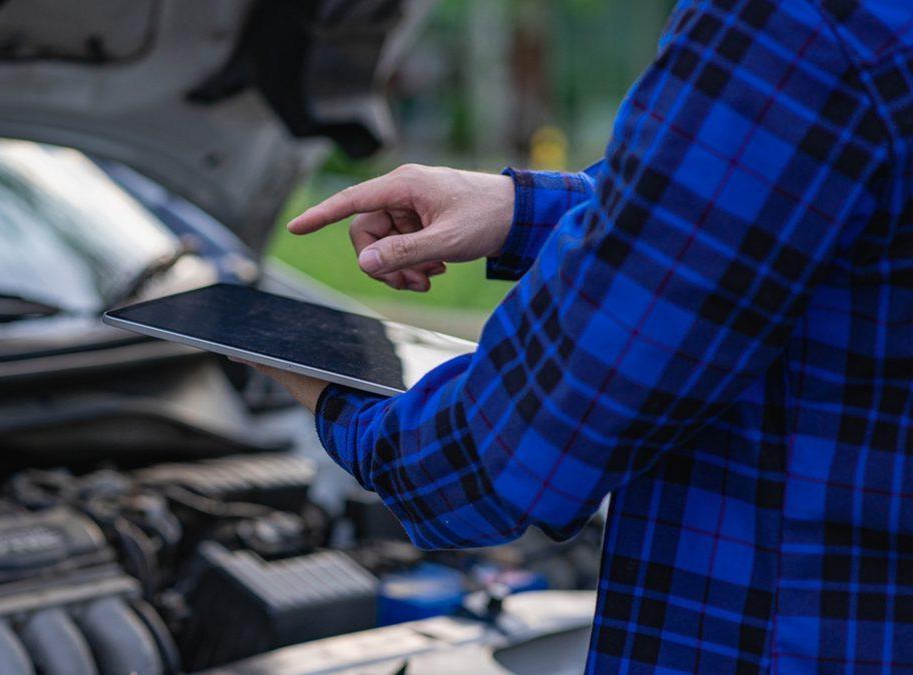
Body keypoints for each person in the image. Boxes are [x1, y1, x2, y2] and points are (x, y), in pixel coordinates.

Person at [253, 0, 913, 671]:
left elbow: (517, 437)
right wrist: (519, 208)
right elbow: (790, 203)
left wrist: (334, 391)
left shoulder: (795, 20)